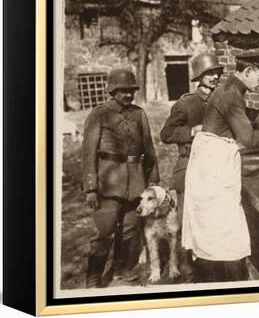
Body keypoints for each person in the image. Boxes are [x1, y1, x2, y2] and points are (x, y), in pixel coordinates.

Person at [182, 51, 259, 282]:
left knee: (214, 227)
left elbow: (243, 115)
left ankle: (218, 277)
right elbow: (248, 138)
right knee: (227, 227)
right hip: (213, 167)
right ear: (247, 71)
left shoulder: (229, 89)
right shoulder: (230, 94)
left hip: (210, 163)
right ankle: (232, 282)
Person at [81, 68, 160, 288]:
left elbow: (149, 147)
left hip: (135, 182)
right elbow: (88, 153)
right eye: (123, 90)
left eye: (131, 90)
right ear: (112, 90)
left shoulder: (139, 114)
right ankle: (94, 275)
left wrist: (153, 179)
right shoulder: (99, 114)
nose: (128, 95)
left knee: (128, 230)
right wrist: (90, 188)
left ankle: (121, 269)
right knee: (104, 232)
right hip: (108, 182)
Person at [160, 52, 223, 274]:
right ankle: (186, 267)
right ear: (199, 76)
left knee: (213, 217)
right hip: (189, 165)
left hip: (215, 168)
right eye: (209, 73)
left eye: (216, 72)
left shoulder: (222, 99)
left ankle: (211, 262)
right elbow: (166, 134)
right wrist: (191, 131)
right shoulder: (186, 103)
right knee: (187, 217)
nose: (214, 76)